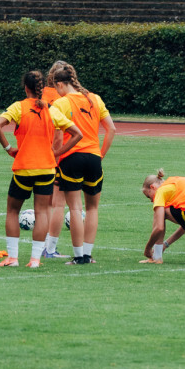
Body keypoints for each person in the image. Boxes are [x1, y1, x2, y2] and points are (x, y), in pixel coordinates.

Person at [0, 70, 82, 268]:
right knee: (42, 213)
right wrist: (57, 152)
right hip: (46, 169)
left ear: (26, 88)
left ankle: (13, 258)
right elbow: (77, 134)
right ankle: (35, 260)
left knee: (12, 210)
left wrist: (8, 148)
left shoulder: (18, 107)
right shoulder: (51, 110)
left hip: (24, 167)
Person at [50, 63, 117, 265]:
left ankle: (78, 257)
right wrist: (100, 154)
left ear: (60, 84)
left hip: (72, 157)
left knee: (75, 208)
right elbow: (111, 129)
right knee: (92, 208)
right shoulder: (95, 98)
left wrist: (55, 156)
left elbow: (57, 135)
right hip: (94, 157)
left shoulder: (62, 103)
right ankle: (88, 255)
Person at [41, 59, 70, 258]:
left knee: (44, 203)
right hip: (59, 153)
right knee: (59, 203)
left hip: (40, 151)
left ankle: (41, 246)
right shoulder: (65, 97)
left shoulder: (42, 94)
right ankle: (49, 248)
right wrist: (57, 156)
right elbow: (60, 132)